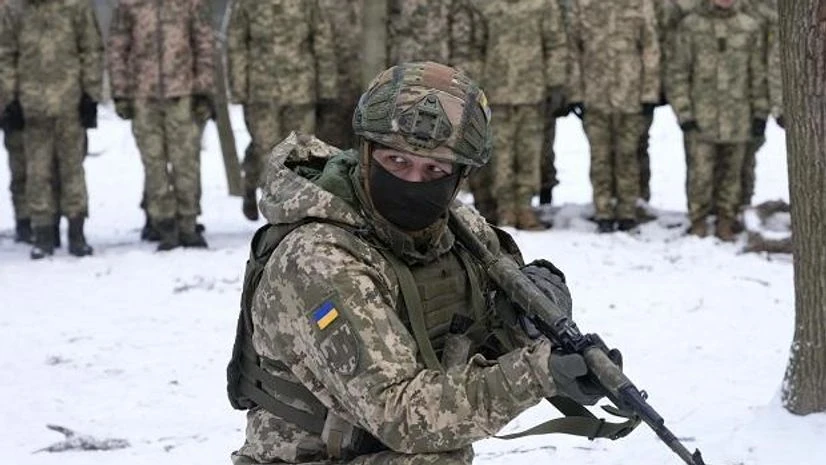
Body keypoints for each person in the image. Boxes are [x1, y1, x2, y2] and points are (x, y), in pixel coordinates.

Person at [228, 62, 613, 464]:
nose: (413, 181)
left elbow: (485, 329)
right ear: (367, 154)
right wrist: (538, 374)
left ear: (458, 177)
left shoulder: (455, 230)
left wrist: (534, 325)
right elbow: (399, 414)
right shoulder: (319, 258)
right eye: (396, 162)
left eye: (434, 170)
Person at [107, 0, 214, 251]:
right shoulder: (129, 5)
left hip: (182, 93)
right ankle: (164, 223)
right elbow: (117, 48)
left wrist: (203, 89)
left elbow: (204, 44)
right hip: (143, 96)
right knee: (153, 162)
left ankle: (188, 224)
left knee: (185, 161)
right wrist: (121, 92)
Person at [0, 0, 102, 259]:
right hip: (32, 105)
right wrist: (9, 100)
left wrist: (90, 95)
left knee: (72, 169)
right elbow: (6, 55)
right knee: (37, 171)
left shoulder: (75, 7)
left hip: (70, 102)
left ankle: (77, 232)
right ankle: (43, 233)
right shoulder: (16, 10)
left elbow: (90, 49)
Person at [227, 0, 338, 222]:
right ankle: (273, 210)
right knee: (266, 151)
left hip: (301, 88)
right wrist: (239, 88)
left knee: (301, 150)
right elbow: (236, 42)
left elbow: (322, 38)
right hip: (261, 90)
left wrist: (327, 86)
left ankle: (298, 211)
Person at [668, 0, 768, 240]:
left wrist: (760, 113)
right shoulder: (691, 26)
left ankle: (726, 220)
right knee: (699, 174)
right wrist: (684, 113)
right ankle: (698, 221)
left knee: (732, 175)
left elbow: (758, 73)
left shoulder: (749, 27)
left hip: (738, 116)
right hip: (702, 117)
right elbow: (677, 73)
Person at [465, 0, 567, 230]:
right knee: (501, 155)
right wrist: (476, 86)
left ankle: (525, 207)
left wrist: (556, 82)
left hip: (532, 92)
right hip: (496, 93)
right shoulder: (486, 6)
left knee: (529, 154)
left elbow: (555, 44)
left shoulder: (543, 5)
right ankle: (505, 209)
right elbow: (476, 49)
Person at [567, 0, 661, 233]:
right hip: (594, 95)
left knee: (627, 156)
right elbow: (573, 51)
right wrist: (576, 93)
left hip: (630, 94)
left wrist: (649, 93)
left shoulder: (639, 5)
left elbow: (650, 49)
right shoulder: (584, 5)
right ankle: (603, 211)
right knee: (600, 157)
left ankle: (627, 211)